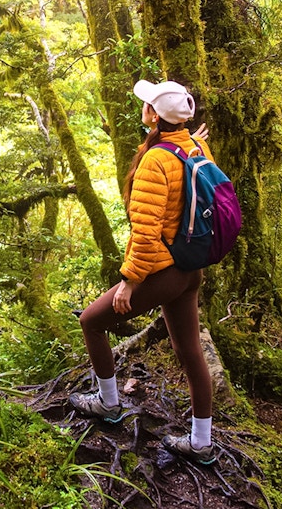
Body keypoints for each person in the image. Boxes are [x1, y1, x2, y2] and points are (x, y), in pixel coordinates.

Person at [67, 79, 217, 466]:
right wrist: (189, 138)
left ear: (153, 115)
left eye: (148, 103)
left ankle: (108, 403)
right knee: (190, 351)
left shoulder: (155, 162)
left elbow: (146, 231)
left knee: (91, 322)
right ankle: (201, 443)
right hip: (191, 269)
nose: (143, 107)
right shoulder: (195, 146)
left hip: (163, 271)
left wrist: (130, 282)